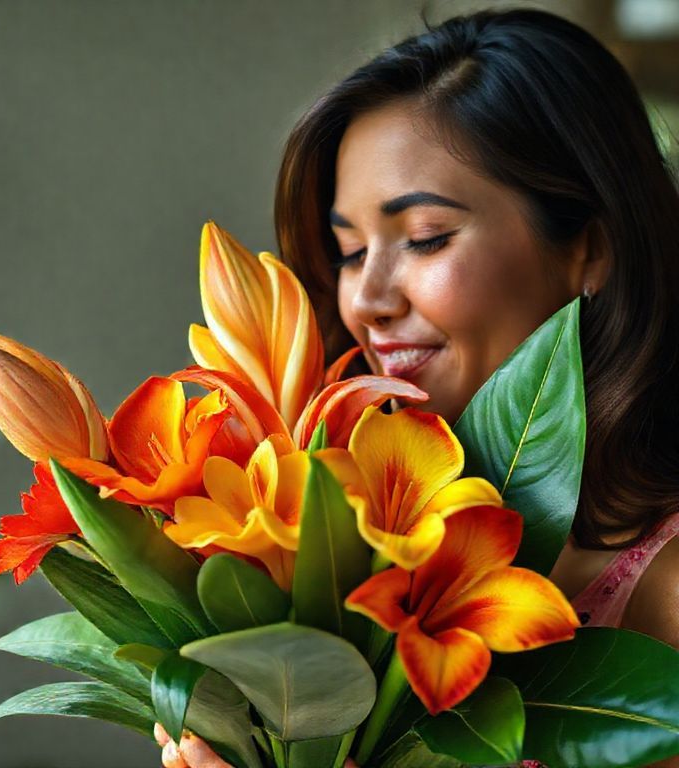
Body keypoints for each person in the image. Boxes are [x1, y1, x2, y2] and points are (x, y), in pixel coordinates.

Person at [160, 7, 679, 767]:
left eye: (426, 238)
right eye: (348, 251)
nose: (367, 300)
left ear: (589, 249)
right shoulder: (339, 548)